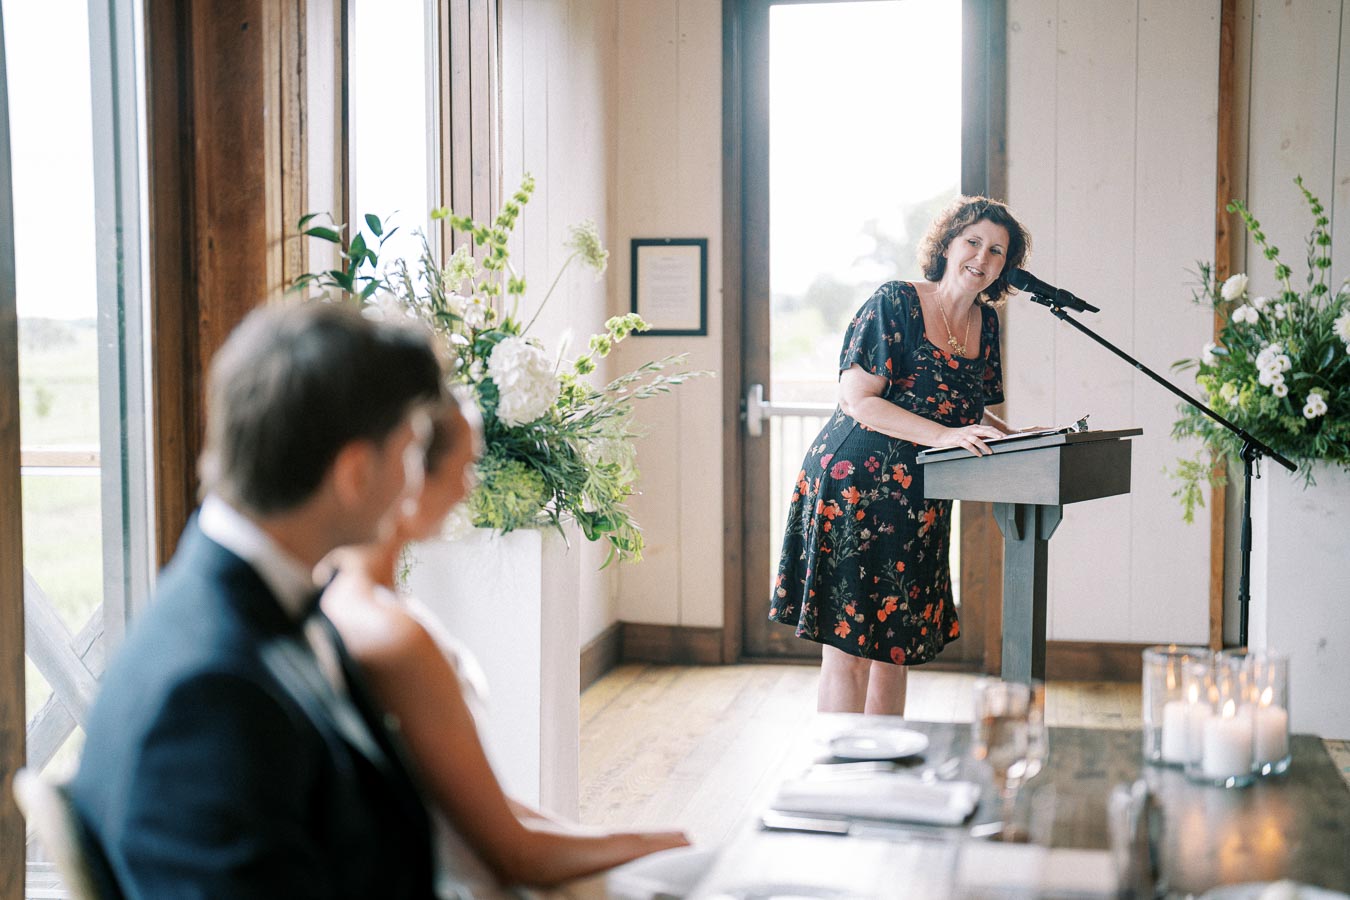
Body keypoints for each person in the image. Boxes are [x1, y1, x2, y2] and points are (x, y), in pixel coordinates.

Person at [69, 301, 446, 898]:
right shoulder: (211, 699)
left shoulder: (250, 598)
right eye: (409, 450)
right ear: (353, 473)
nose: (413, 480)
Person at [321, 393, 691, 898]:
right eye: (465, 467)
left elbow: (479, 803)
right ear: (411, 474)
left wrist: (614, 838)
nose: (470, 486)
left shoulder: (341, 597)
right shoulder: (397, 635)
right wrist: (660, 841)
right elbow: (515, 855)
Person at [768, 196, 1032, 716]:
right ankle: (842, 776)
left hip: (921, 493)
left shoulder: (987, 323)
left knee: (896, 647)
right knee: (850, 650)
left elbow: (967, 409)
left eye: (997, 251)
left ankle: (882, 775)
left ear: (1006, 266)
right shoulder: (897, 301)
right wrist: (942, 436)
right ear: (948, 245)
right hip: (854, 484)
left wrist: (1016, 434)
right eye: (972, 242)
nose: (982, 257)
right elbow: (857, 399)